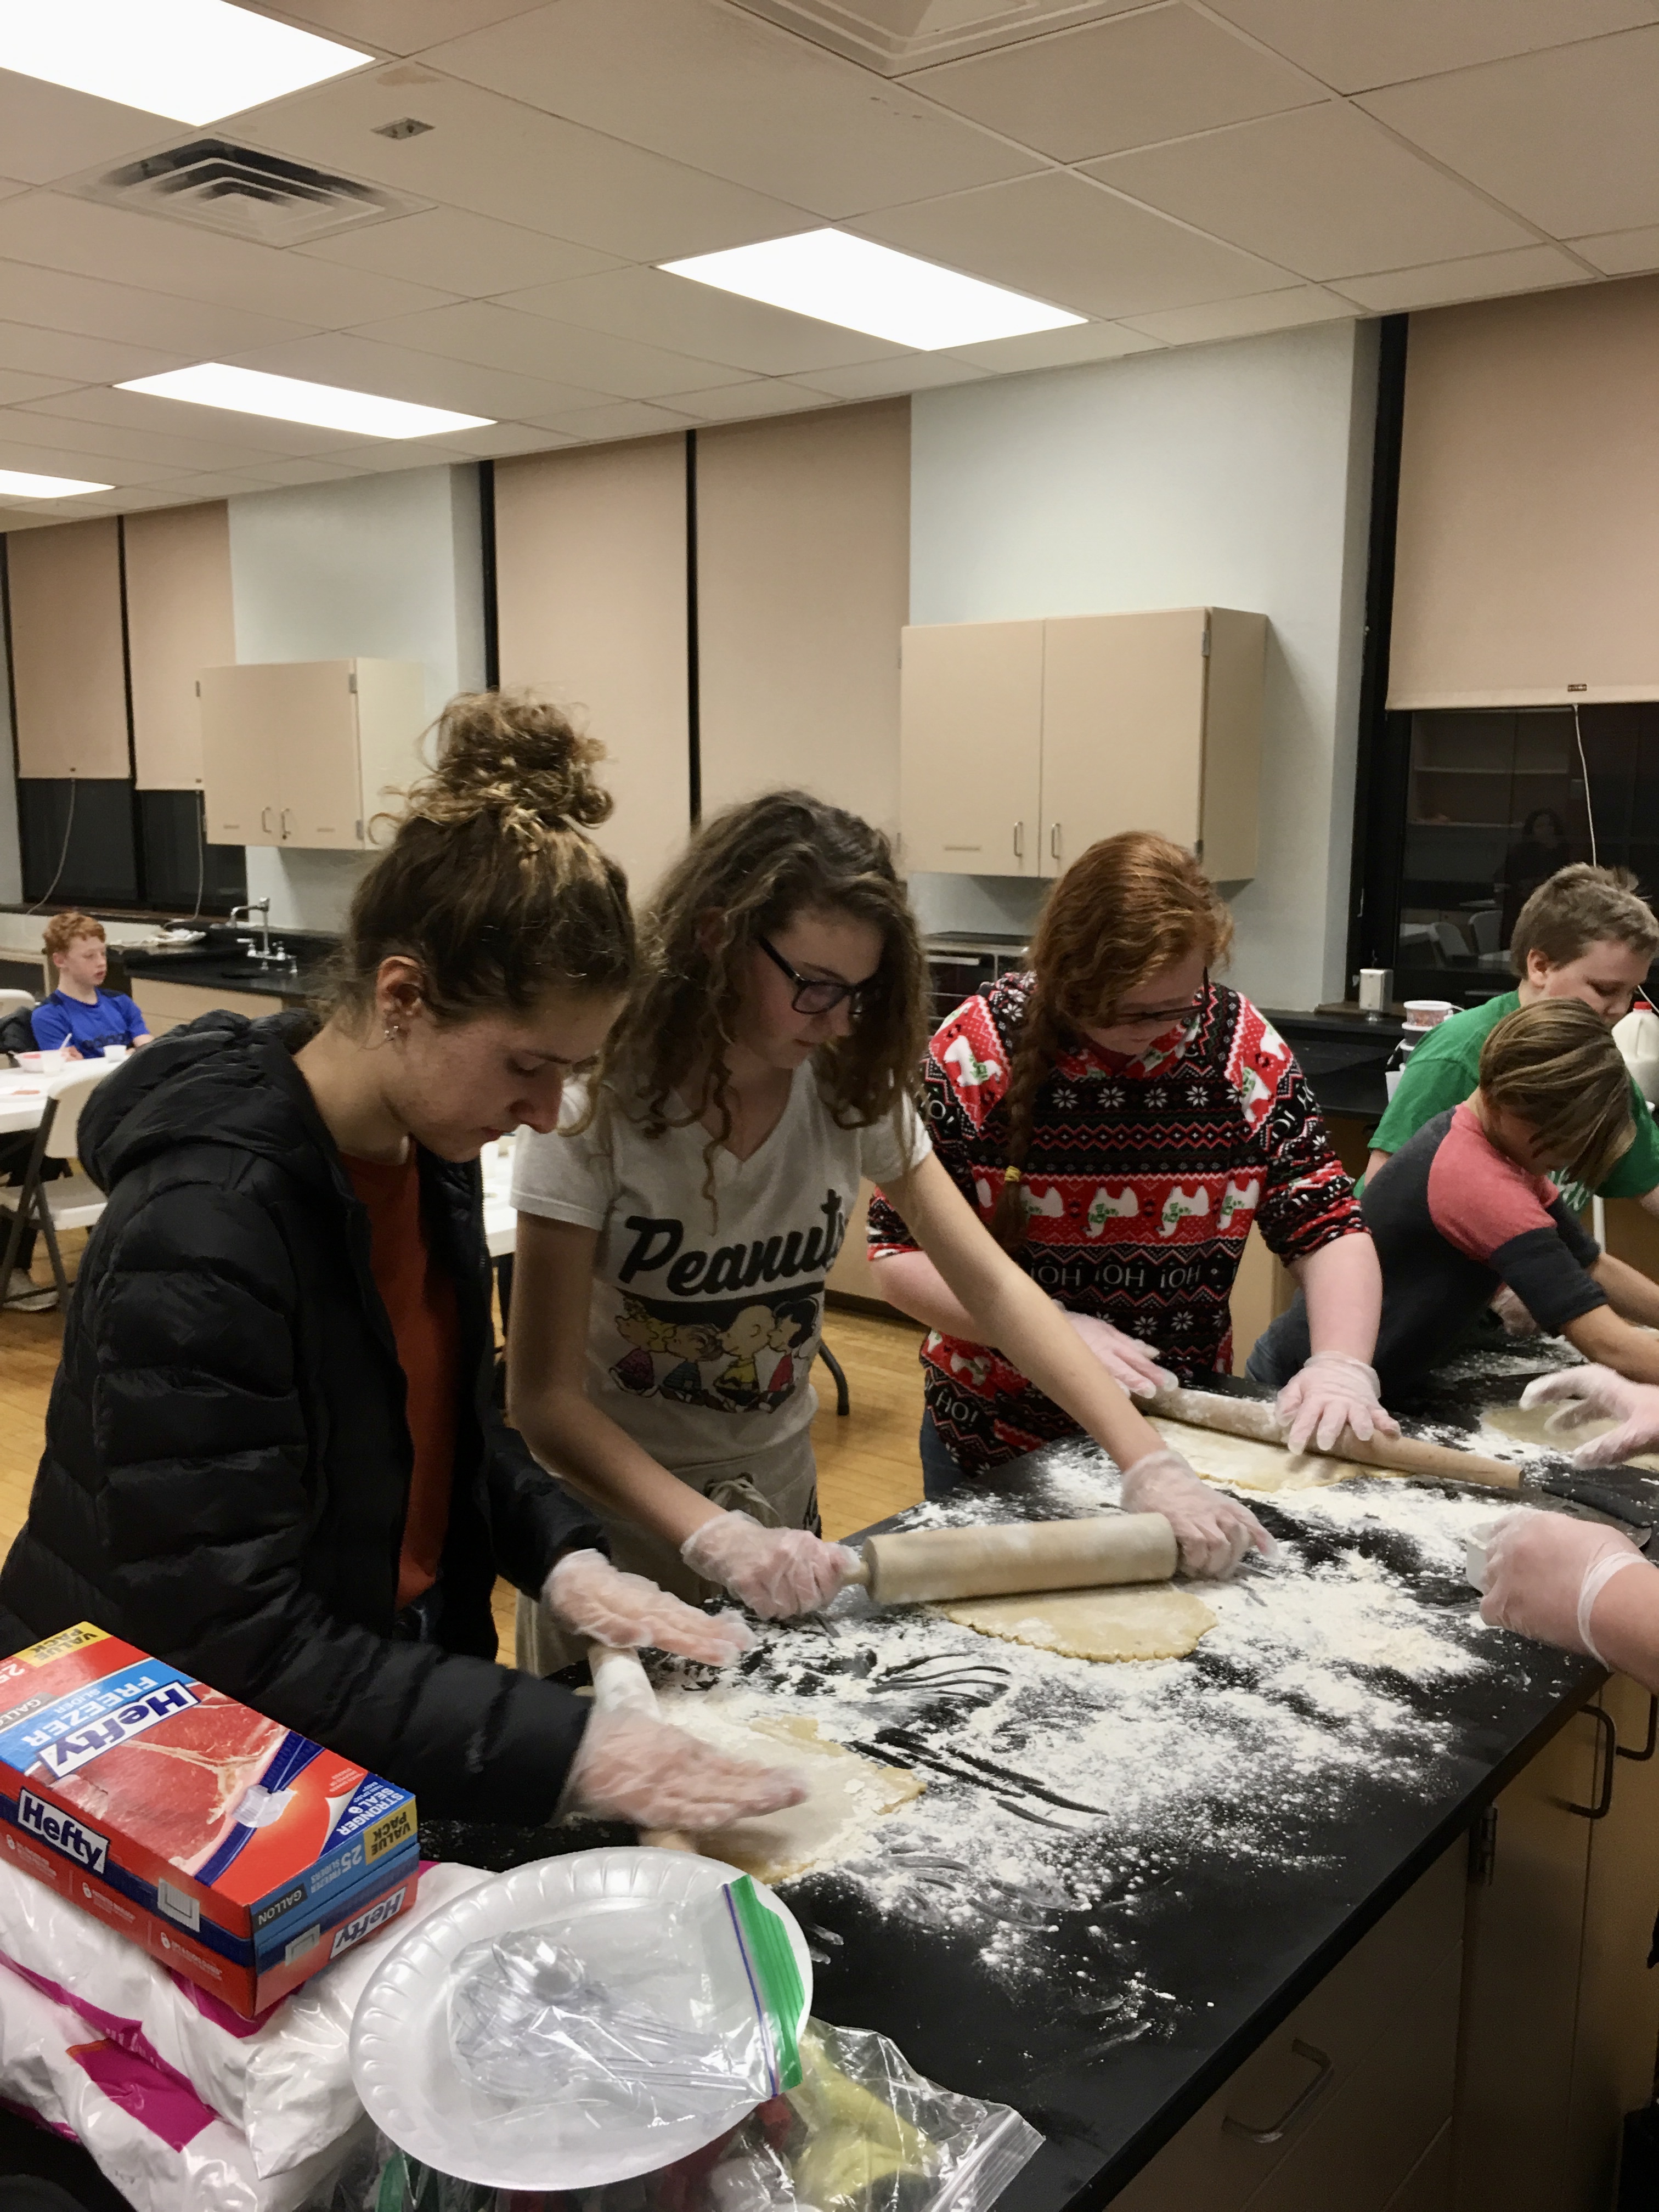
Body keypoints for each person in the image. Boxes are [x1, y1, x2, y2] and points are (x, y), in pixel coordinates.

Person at [0, 694, 806, 1838]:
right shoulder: (204, 1230)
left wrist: (565, 1556)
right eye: (529, 1064)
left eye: (573, 1070)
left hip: (368, 1679)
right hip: (164, 1751)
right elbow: (229, 1633)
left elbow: (442, 1430)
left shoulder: (418, 1147)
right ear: (401, 998)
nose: (546, 1110)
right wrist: (566, 1747)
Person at [509, 797, 1268, 1679]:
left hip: (782, 1515)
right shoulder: (590, 1106)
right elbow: (544, 1400)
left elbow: (993, 1286)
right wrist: (713, 1537)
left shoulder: (841, 1086)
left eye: (860, 994)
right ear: (718, 936)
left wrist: (1148, 1462)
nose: (837, 1022)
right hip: (620, 1535)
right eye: (815, 986)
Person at [865, 832, 1390, 1492]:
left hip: (1175, 1415)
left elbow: (1327, 1222)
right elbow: (899, 1255)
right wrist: (1048, 1333)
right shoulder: (976, 1051)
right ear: (1067, 975)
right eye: (1129, 1011)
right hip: (999, 1429)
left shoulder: (1240, 1047)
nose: (1160, 1029)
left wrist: (1342, 1363)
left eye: (1178, 1006)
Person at [1250, 1001, 1659, 1402]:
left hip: (1372, 1376)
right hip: (1302, 1385)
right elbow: (1610, 1345)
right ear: (1516, 1105)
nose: (1567, 1157)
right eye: (1564, 1141)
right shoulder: (1477, 1181)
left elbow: (1590, 1263)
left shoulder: (1489, 1138)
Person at [1367, 865, 1659, 1218]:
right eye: (1605, 990)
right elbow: (1383, 1196)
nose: (1620, 1010)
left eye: (1632, 992)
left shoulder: (1595, 1057)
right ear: (1540, 966)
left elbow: (1649, 1179)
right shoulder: (1460, 1053)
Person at [30, 912, 152, 1060]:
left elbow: (147, 1048)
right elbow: (72, 1070)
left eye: (103, 954)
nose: (101, 962)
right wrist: (128, 1054)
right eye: (90, 956)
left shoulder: (121, 1002)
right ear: (60, 960)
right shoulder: (49, 1015)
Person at [1495, 808, 1571, 946]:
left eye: (1550, 825)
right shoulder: (1519, 854)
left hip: (1554, 914)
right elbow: (1503, 880)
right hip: (1521, 914)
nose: (1547, 829)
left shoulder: (1565, 853)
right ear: (1532, 830)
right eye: (1540, 826)